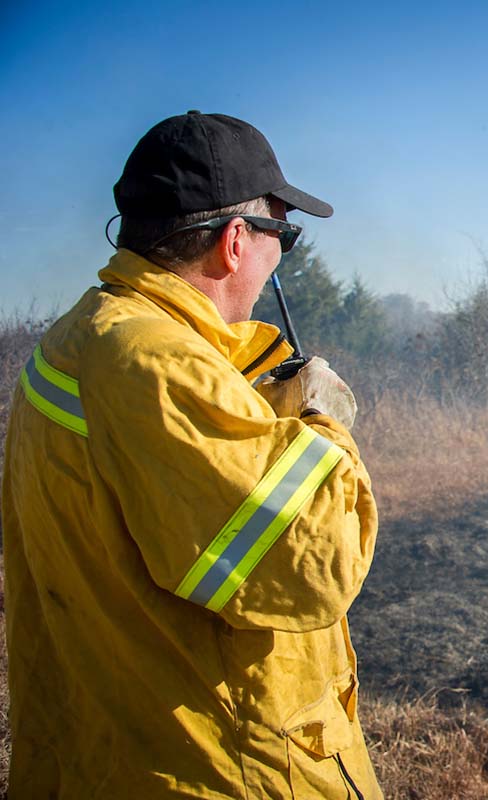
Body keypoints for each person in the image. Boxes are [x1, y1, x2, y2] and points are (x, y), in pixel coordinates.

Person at [2, 111, 382, 798]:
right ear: (236, 242)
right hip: (210, 769)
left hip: (111, 747)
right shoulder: (156, 365)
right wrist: (325, 422)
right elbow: (311, 567)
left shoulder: (83, 338)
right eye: (284, 237)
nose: (278, 259)